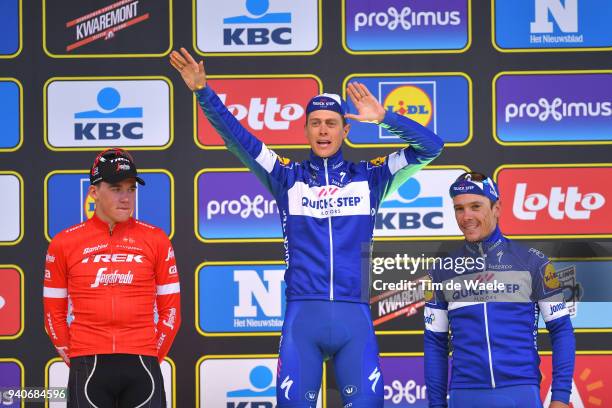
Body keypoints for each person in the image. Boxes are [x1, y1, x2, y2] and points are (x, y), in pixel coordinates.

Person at [170, 47, 443, 407]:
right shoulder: (286, 177)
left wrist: (383, 117)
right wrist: (203, 92)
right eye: (315, 123)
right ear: (306, 131)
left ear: (346, 129)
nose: (323, 130)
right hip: (303, 320)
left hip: (354, 318)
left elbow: (431, 148)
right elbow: (237, 138)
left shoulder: (370, 177)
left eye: (331, 123)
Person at [43, 148, 181, 407]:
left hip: (142, 362)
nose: (126, 198)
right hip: (88, 361)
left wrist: (152, 354)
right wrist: (75, 355)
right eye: (117, 188)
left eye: (131, 189)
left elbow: (171, 311)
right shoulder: (64, 243)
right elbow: (53, 312)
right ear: (94, 191)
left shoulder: (156, 239)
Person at [424, 172, 575, 408]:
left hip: (520, 392)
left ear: (497, 208)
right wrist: (435, 404)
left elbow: (561, 329)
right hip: (465, 394)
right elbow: (435, 341)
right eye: (459, 208)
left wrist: (561, 397)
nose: (467, 217)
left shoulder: (534, 262)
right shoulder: (442, 270)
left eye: (476, 206)